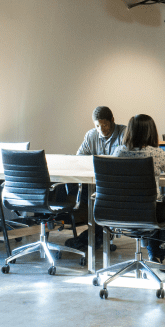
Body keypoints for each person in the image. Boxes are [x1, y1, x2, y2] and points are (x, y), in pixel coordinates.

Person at [113, 114, 165, 276]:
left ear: (129, 132)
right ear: (151, 132)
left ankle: (154, 259)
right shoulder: (157, 153)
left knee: (158, 210)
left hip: (120, 212)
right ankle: (155, 258)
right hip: (148, 211)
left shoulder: (118, 152)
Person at [65, 106, 127, 250]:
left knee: (99, 200)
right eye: (98, 126)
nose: (101, 129)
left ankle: (94, 236)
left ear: (112, 121)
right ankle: (96, 234)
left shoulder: (124, 133)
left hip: (117, 185)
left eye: (105, 125)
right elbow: (80, 158)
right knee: (72, 191)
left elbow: (126, 160)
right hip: (95, 182)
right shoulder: (91, 135)